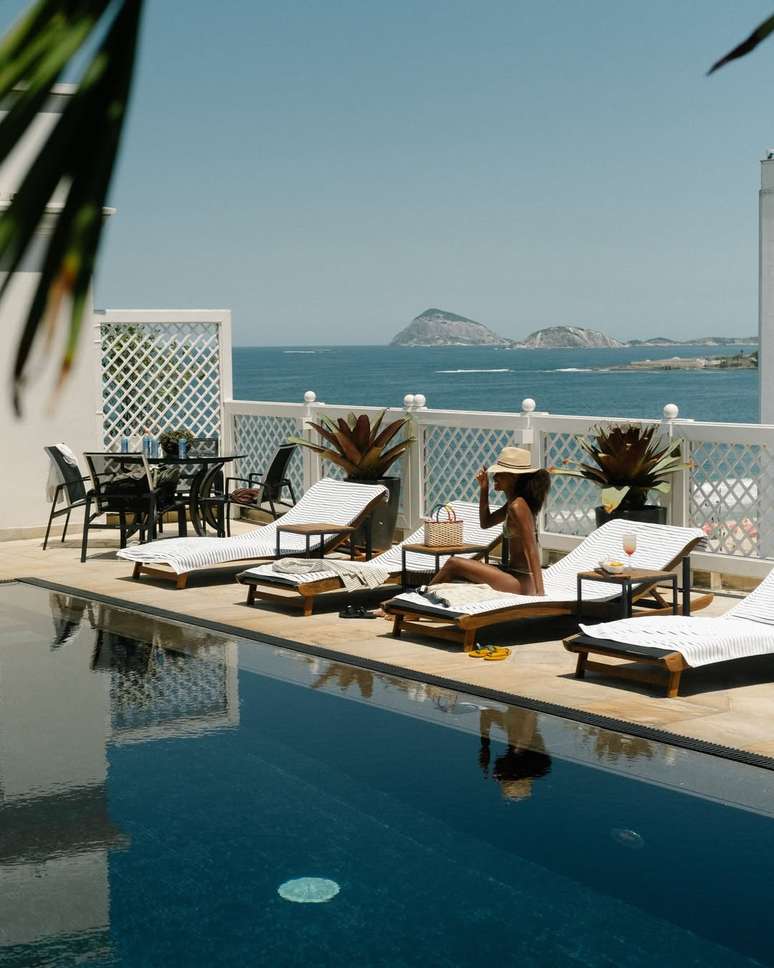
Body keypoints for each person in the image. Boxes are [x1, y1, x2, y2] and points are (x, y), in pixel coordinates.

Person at [430, 446, 550, 595]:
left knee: (453, 563)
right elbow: (486, 522)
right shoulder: (512, 504)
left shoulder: (518, 506)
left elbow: (531, 549)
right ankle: (427, 600)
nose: (494, 478)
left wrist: (541, 593)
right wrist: (484, 489)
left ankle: (419, 600)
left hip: (521, 581)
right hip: (514, 575)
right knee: (464, 569)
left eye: (499, 474)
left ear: (513, 477)